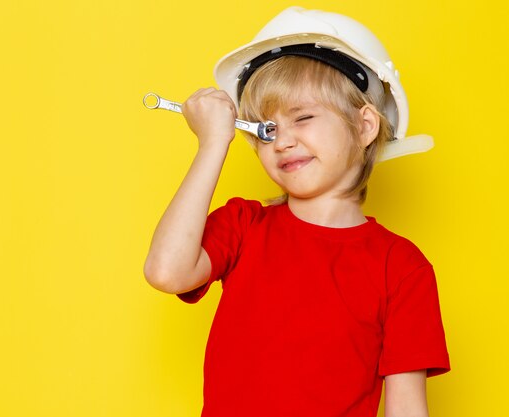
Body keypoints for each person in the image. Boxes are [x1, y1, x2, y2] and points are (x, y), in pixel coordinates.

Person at [144, 6, 450, 417]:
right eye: (265, 130)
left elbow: (407, 408)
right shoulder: (243, 226)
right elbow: (167, 272)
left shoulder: (402, 267)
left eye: (302, 117)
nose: (281, 142)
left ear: (364, 127)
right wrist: (213, 144)